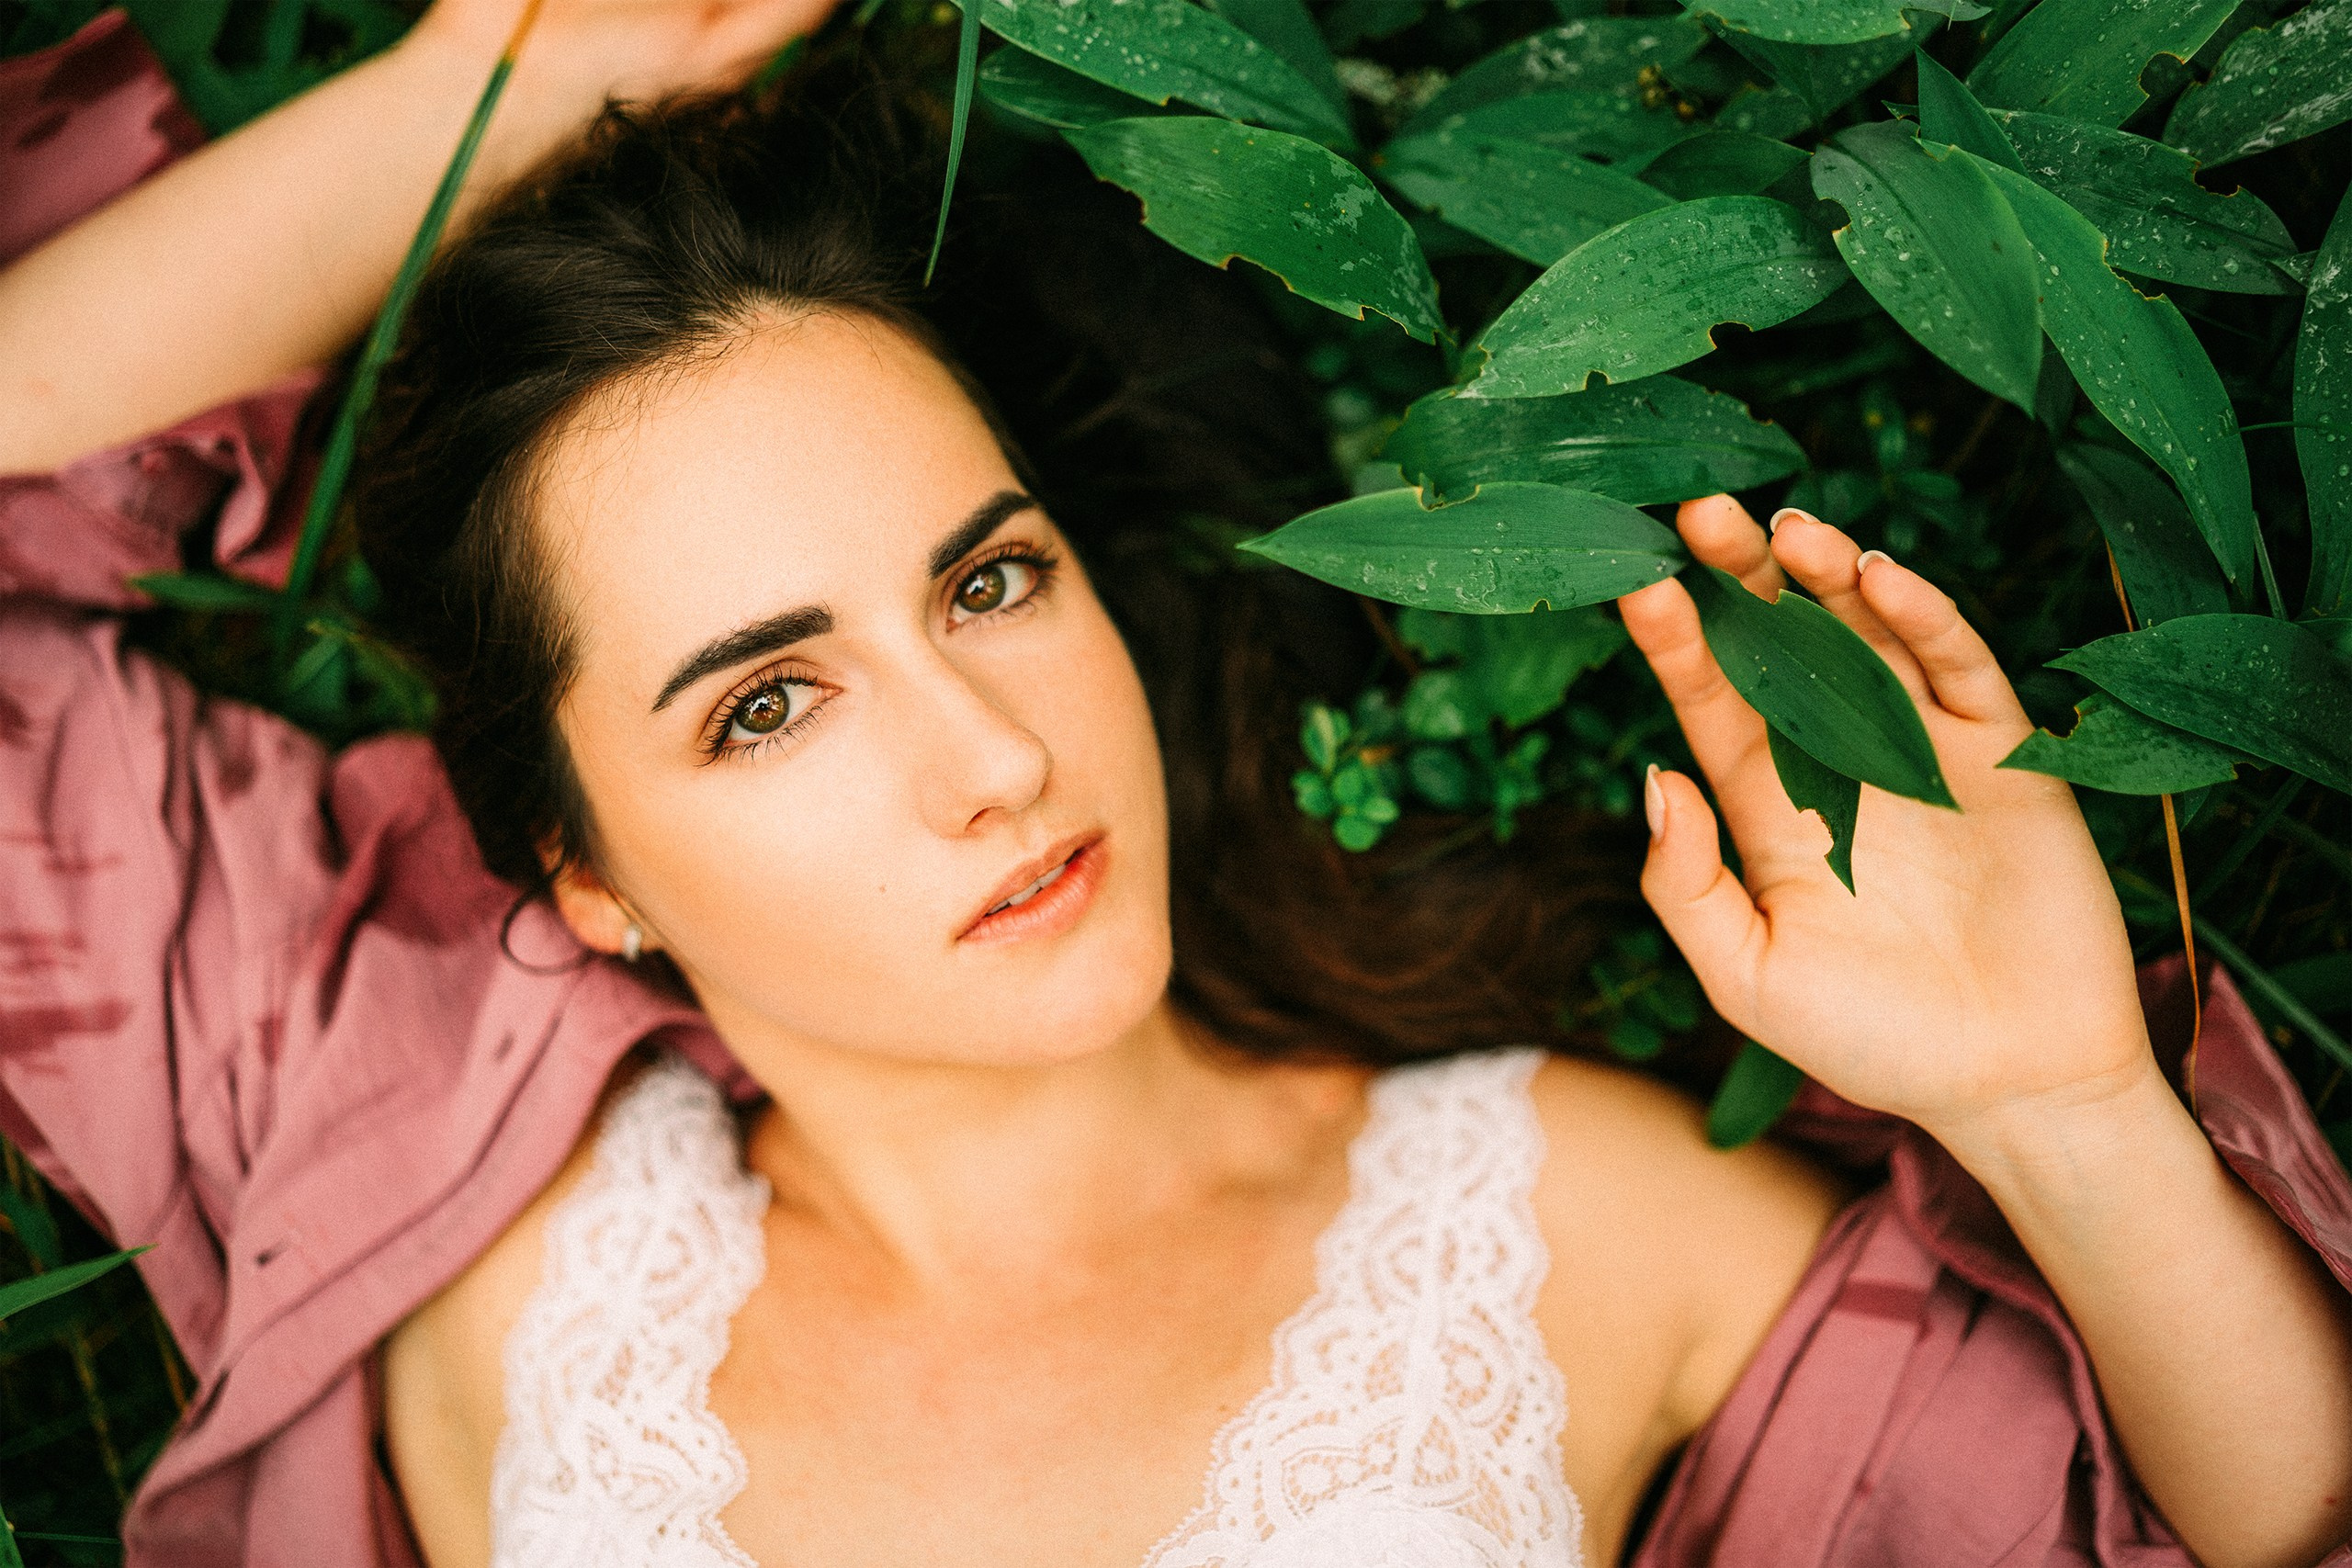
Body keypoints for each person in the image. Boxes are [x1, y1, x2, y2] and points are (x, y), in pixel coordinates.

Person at [2, 4, 2349, 1566]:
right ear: (582, 870)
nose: (996, 756)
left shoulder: (1553, 1230)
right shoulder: (389, 1136)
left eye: (989, 580)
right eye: (763, 702)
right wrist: (518, 67)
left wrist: (2065, 1110)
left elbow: (2235, 1527)